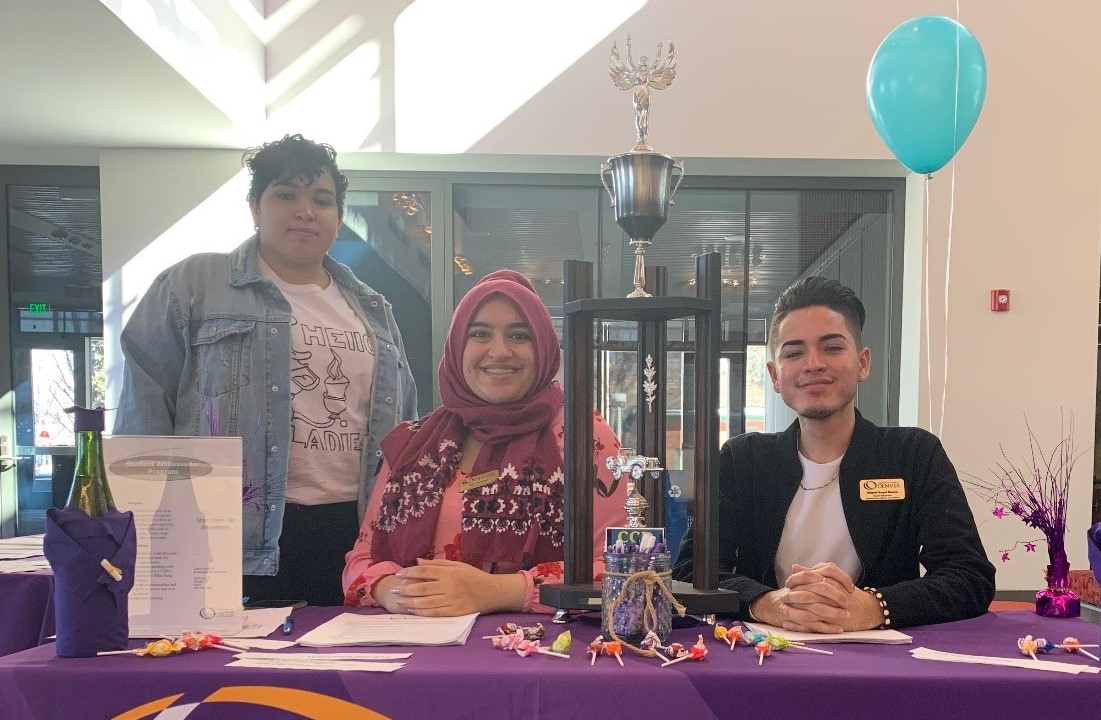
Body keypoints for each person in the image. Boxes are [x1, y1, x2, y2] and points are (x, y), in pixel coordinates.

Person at [114, 134, 417, 606]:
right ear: (255, 206)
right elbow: (145, 413)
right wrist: (151, 531)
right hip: (229, 536)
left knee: (337, 676)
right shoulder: (194, 285)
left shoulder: (373, 309)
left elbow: (403, 433)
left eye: (322, 200)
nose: (305, 210)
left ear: (338, 216)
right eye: (285, 194)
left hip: (353, 537)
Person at [673, 275, 995, 631]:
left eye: (832, 347)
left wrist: (874, 607)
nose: (813, 364)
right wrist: (767, 603)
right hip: (765, 658)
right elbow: (689, 574)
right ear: (775, 376)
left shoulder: (913, 455)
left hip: (886, 665)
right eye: (794, 353)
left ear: (863, 363)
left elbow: (970, 576)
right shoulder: (742, 460)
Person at [343, 269, 628, 616]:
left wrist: (498, 592)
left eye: (519, 335)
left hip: (540, 655)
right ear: (456, 347)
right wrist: (396, 591)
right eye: (479, 334)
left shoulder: (583, 436)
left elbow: (622, 569)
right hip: (416, 651)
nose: (499, 351)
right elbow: (360, 561)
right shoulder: (414, 444)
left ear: (543, 348)